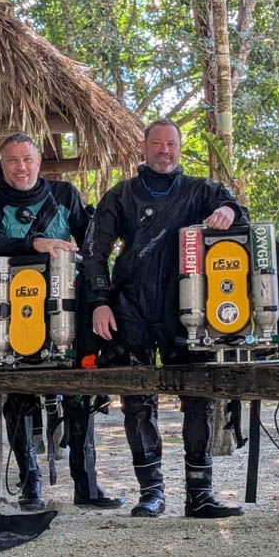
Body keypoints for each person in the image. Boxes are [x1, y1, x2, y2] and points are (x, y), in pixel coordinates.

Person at [82, 119, 246, 519]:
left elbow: (239, 214)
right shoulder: (121, 194)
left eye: (171, 144)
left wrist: (226, 210)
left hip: (186, 306)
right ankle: (151, 492)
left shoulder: (200, 190)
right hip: (130, 306)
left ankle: (200, 494)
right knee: (137, 399)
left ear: (179, 147)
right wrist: (100, 302)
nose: (164, 151)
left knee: (198, 395)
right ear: (144, 147)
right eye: (157, 144)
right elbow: (94, 252)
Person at [0, 133, 123, 511]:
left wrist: (99, 294)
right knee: (18, 397)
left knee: (79, 393)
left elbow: (91, 245)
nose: (21, 167)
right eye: (12, 161)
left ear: (39, 163)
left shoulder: (64, 195)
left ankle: (86, 486)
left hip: (67, 313)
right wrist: (36, 243)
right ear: (2, 166)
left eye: (27, 159)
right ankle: (30, 484)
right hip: (13, 316)